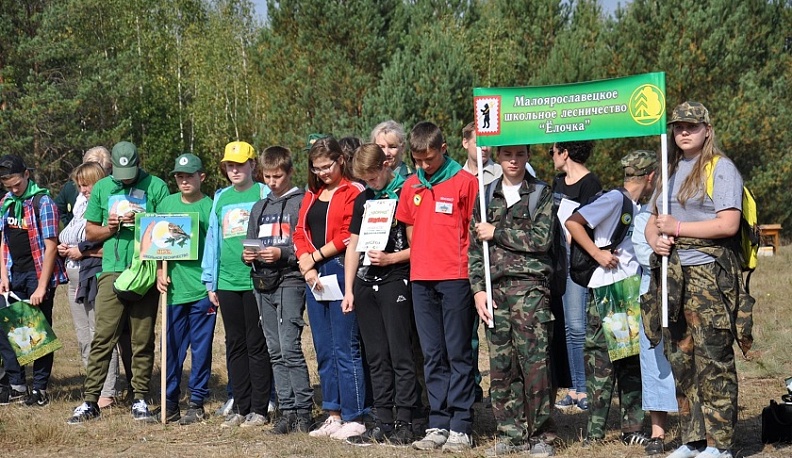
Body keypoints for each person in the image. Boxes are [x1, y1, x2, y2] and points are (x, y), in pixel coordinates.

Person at [646, 102, 751, 458]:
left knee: (713, 358)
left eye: (691, 126)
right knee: (681, 358)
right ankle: (694, 440)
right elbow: (652, 219)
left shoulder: (720, 169)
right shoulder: (668, 168)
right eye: (678, 127)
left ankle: (720, 445)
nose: (684, 132)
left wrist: (678, 228)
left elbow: (728, 224)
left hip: (708, 275)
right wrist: (654, 239)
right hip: (673, 277)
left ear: (707, 129)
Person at [67, 141, 170, 423]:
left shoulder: (157, 186)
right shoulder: (102, 188)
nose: (124, 179)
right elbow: (90, 232)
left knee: (141, 338)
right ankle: (91, 401)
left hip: (145, 270)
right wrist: (110, 228)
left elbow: (168, 230)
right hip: (111, 270)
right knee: (103, 337)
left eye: (130, 173)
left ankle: (140, 399)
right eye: (120, 174)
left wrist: (160, 265)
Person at [469, 144, 558, 457]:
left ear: (528, 156)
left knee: (536, 365)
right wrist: (479, 289)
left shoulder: (540, 194)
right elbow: (473, 250)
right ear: (499, 156)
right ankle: (510, 435)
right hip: (495, 293)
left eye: (520, 155)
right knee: (502, 367)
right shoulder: (486, 195)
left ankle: (541, 437)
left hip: (530, 290)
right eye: (507, 155)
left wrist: (497, 231)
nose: (513, 161)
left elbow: (542, 239)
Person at [565, 149, 658, 447]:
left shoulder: (634, 203)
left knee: (630, 362)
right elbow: (574, 222)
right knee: (601, 364)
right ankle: (594, 433)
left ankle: (632, 429)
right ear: (650, 177)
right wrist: (597, 254)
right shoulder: (615, 199)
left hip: (629, 289)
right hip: (609, 292)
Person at [395, 121, 477, 452]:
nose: (424, 166)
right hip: (421, 279)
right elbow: (411, 229)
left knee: (458, 351)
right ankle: (438, 422)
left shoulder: (464, 182)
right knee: (432, 354)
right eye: (418, 160)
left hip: (456, 277)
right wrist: (422, 261)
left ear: (443, 149)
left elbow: (472, 229)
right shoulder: (411, 185)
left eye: (429, 159)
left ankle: (461, 425)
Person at [341, 143, 418, 446]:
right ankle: (382, 420)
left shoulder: (405, 193)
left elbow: (417, 245)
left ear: (386, 165)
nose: (370, 183)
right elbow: (352, 246)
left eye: (373, 176)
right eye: (365, 178)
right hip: (364, 282)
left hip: (395, 279)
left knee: (400, 354)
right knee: (376, 357)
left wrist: (390, 260)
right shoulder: (363, 200)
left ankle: (406, 421)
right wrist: (348, 289)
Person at [293, 136, 367, 440]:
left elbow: (348, 235)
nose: (323, 172)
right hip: (313, 274)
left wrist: (315, 257)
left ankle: (355, 414)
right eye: (317, 167)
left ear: (341, 161)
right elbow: (299, 231)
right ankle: (333, 412)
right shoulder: (311, 195)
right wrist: (305, 263)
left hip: (340, 267)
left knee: (345, 346)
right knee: (323, 346)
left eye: (328, 166)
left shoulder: (353, 191)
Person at [202, 141, 273, 428]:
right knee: (234, 344)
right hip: (227, 282)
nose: (234, 170)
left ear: (252, 165)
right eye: (230, 166)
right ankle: (241, 406)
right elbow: (212, 241)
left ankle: (260, 407)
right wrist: (210, 280)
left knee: (257, 344)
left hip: (256, 281)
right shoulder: (220, 198)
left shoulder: (264, 192)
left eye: (240, 164)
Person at [244, 146, 313, 435]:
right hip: (262, 283)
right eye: (268, 176)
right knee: (274, 349)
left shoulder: (301, 202)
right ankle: (285, 410)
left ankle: (304, 410)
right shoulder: (259, 207)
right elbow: (250, 242)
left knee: (290, 347)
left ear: (289, 172)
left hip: (290, 279)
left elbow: (304, 245)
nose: (273, 182)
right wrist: (248, 255)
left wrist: (282, 254)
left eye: (278, 176)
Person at [0, 155, 67, 407]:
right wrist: (3, 275)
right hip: (13, 272)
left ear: (27, 174)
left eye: (16, 184)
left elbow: (51, 247)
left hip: (36, 274)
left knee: (36, 332)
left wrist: (42, 285)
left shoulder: (43, 202)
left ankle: (39, 389)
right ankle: (16, 384)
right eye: (8, 186)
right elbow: (3, 241)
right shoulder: (6, 203)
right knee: (8, 328)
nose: (13, 190)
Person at [155, 153, 215, 425]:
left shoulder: (210, 206)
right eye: (179, 176)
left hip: (202, 291)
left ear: (201, 177)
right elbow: (154, 243)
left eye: (189, 175)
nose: (184, 180)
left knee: (201, 349)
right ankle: (169, 402)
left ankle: (197, 402)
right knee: (171, 349)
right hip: (173, 290)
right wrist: (158, 271)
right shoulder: (166, 203)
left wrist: (212, 284)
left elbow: (216, 249)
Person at [58, 160, 122, 409]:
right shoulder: (80, 206)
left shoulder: (110, 207)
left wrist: (82, 253)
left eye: (87, 185)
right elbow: (72, 234)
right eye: (80, 185)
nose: (83, 190)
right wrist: (67, 248)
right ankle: (92, 386)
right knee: (83, 337)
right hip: (75, 277)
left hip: (95, 275)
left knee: (101, 335)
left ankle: (108, 390)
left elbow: (113, 246)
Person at [551, 140, 602, 412]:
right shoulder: (557, 183)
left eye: (553, 152)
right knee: (567, 328)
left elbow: (595, 222)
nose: (552, 157)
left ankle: (584, 389)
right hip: (557, 258)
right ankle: (572, 388)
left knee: (578, 325)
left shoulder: (591, 184)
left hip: (577, 259)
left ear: (565, 152)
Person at [461, 121, 502, 404]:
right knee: (466, 334)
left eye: (488, 143)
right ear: (465, 143)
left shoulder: (503, 173)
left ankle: (502, 392)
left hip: (497, 263)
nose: (484, 148)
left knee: (496, 330)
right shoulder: (453, 176)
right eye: (478, 141)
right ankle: (471, 388)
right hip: (464, 261)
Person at [632, 206, 678, 455]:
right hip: (653, 294)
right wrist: (656, 245)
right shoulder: (645, 216)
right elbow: (643, 253)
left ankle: (697, 427)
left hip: (689, 288)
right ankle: (657, 433)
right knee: (654, 361)